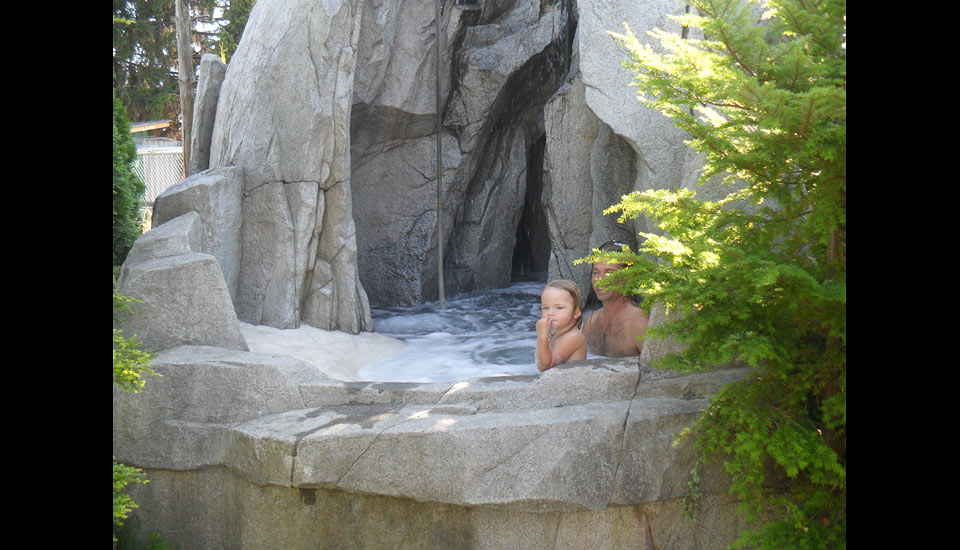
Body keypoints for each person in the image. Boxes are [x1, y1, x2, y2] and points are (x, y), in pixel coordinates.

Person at [581, 240, 650, 357]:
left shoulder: (640, 323)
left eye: (609, 272)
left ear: (627, 278)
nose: (600, 279)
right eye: (596, 272)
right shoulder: (591, 322)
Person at [536, 279, 587, 372]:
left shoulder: (573, 337)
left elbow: (544, 367)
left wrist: (542, 336)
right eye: (545, 308)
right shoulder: (558, 332)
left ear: (576, 312)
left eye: (559, 308)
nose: (550, 313)